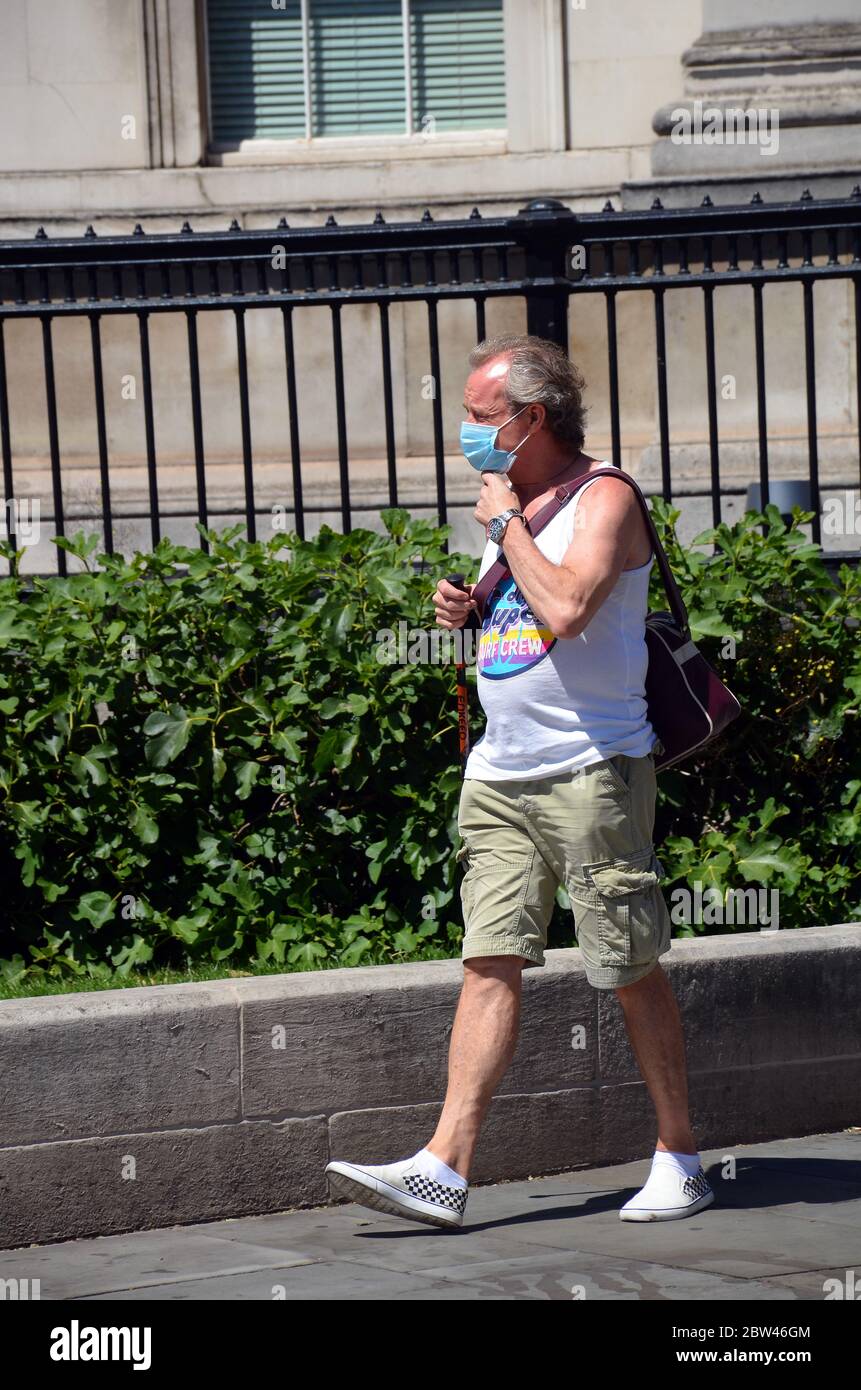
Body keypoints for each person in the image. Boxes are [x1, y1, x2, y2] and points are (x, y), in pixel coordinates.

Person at [325, 334, 714, 1229]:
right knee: (487, 960)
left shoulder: (604, 497)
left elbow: (572, 608)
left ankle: (680, 1156)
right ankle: (443, 1166)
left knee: (626, 964)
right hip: (499, 775)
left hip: (590, 770)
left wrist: (502, 526)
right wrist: (472, 604)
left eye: (476, 415)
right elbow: (528, 613)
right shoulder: (526, 505)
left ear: (530, 418)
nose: (464, 431)